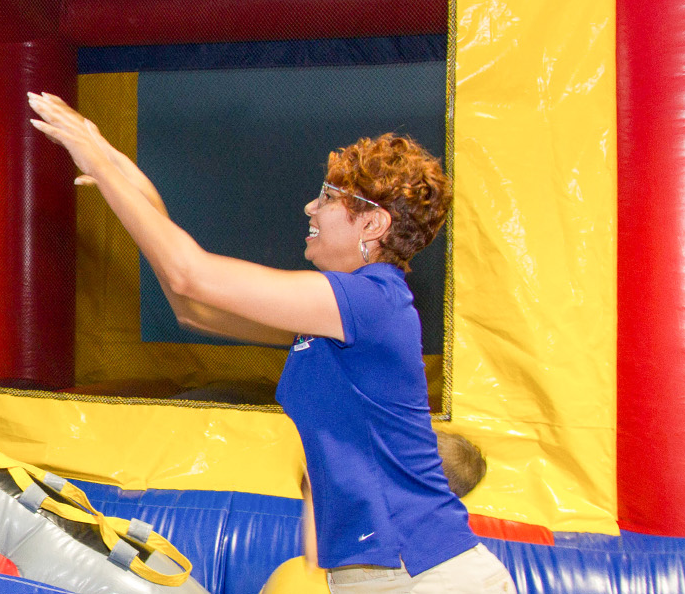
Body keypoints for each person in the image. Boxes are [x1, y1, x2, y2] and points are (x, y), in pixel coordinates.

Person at [28, 92, 514, 593]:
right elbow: (193, 308)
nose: (311, 207)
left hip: (427, 574)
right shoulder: (334, 317)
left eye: (328, 198)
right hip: (369, 577)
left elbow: (191, 274)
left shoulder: (373, 301)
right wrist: (127, 179)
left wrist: (100, 165)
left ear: (372, 224)